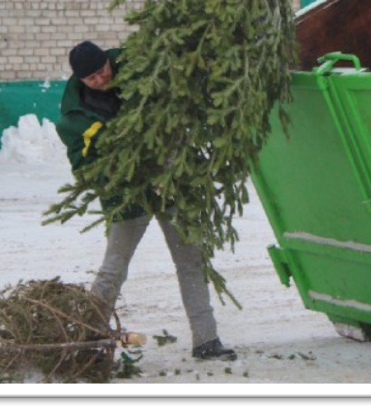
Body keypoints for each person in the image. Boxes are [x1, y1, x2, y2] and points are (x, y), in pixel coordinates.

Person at [55, 40, 236, 361]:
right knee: (114, 267)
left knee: (190, 260)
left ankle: (206, 340)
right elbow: (84, 167)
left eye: (102, 72)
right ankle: (88, 339)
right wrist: (116, 175)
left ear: (107, 62)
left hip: (170, 182)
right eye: (91, 79)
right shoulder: (76, 116)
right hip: (127, 195)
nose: (100, 80)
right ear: (80, 80)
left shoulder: (140, 69)